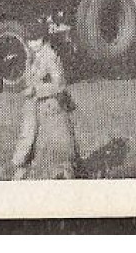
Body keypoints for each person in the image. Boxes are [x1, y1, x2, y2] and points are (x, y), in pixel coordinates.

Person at [7, 20, 82, 180]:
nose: (32, 44)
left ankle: (21, 166)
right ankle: (20, 166)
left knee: (35, 135)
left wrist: (37, 90)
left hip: (49, 105)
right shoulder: (33, 56)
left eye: (36, 39)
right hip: (34, 103)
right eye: (29, 40)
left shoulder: (50, 56)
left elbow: (60, 84)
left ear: (44, 39)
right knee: (29, 134)